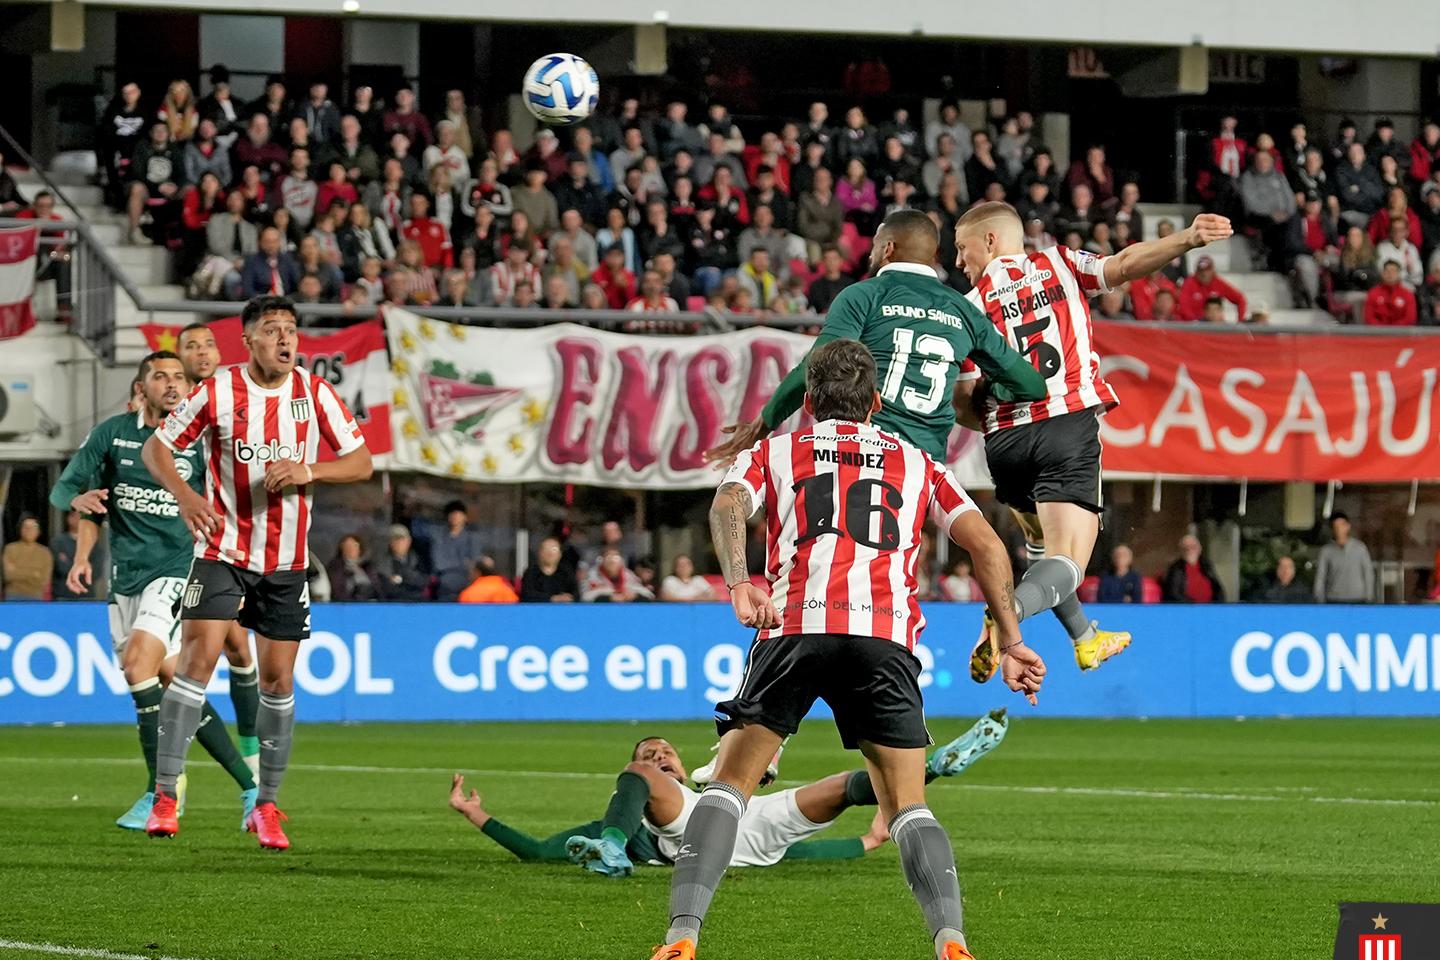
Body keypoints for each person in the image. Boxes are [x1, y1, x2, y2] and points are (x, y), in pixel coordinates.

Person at [647, 338, 1043, 960]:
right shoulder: (918, 462)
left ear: (807, 401)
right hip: (883, 638)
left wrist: (739, 582)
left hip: (796, 626)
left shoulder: (776, 450)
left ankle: (681, 937)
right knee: (907, 804)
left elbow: (727, 504)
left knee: (728, 786)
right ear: (877, 402)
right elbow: (989, 548)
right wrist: (1012, 639)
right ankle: (951, 940)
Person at [945, 202, 1227, 679]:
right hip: (1064, 426)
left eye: (961, 247)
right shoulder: (1058, 262)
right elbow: (1122, 265)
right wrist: (1187, 239)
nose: (958, 260)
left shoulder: (970, 307)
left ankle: (1085, 638)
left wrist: (999, 421)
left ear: (990, 241)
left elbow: (962, 401)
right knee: (1068, 564)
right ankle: (1001, 617)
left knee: (1041, 550)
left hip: (1004, 446)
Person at [140, 295, 373, 849]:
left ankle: (265, 806)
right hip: (222, 551)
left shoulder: (314, 393)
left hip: (287, 564)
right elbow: (158, 448)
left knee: (279, 681)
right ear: (248, 341)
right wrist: (185, 496)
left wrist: (309, 468)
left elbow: (361, 461)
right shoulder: (219, 390)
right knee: (196, 662)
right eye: (272, 330)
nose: (285, 339)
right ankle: (166, 796)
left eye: (291, 329)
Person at [49, 351, 258, 830]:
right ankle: (250, 789)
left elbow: (232, 508)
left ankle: (159, 794)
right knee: (171, 684)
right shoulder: (111, 435)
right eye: (160, 376)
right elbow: (67, 492)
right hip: (125, 578)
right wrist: (81, 541)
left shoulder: (204, 443)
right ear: (141, 388)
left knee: (136, 665)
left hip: (177, 569)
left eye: (179, 377)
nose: (172, 384)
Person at [452, 714, 1007, 872]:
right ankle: (617, 852)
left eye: (664, 752)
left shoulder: (699, 776)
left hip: (748, 836)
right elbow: (540, 850)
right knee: (647, 789)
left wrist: (862, 843)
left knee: (839, 788)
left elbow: (794, 852)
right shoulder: (626, 814)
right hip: (693, 832)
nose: (659, 758)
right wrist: (479, 816)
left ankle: (930, 767)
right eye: (650, 755)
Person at [173, 323, 263, 771]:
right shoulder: (169, 409)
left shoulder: (228, 399)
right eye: (192, 346)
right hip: (173, 553)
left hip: (220, 549)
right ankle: (169, 780)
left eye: (209, 344)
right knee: (183, 663)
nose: (203, 352)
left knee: (238, 650)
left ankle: (249, 758)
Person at [430, 500, 486, 602]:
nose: (455, 517)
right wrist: (463, 563)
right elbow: (438, 564)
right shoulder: (438, 537)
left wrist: (461, 565)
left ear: (465, 517)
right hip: (444, 585)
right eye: (452, 514)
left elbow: (474, 563)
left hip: (467, 584)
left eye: (458, 514)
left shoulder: (472, 538)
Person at [1314, 512, 1375, 604]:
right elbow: (1320, 576)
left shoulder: (1360, 548)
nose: (1339, 529)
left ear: (1348, 526)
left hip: (1358, 599)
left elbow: (1368, 573)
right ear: (1332, 529)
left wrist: (1369, 597)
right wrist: (1319, 599)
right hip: (1334, 599)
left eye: (1341, 525)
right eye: (1336, 526)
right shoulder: (1326, 551)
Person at [1176, 255, 1247, 322]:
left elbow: (1240, 299)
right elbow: (1183, 306)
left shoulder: (1218, 283)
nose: (1204, 274)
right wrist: (1195, 322)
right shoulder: (1189, 283)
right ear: (1196, 272)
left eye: (1207, 270)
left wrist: (1240, 321)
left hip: (1214, 325)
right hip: (1193, 325)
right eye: (1201, 271)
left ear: (1213, 271)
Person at [1162, 535, 1224, 603]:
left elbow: (1217, 587)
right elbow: (1173, 594)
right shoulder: (1175, 568)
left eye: (1193, 547)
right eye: (1185, 548)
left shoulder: (1206, 564)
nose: (1190, 550)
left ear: (1199, 549)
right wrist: (1195, 605)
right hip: (1188, 609)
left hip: (1211, 608)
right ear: (1180, 551)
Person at [3, 515, 51, 599]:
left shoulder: (45, 553)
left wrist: (17, 570)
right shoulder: (10, 549)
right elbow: (8, 575)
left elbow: (43, 580)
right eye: (26, 527)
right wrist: (34, 573)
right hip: (13, 595)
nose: (29, 530)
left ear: (39, 531)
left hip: (36, 596)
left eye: (33, 527)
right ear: (20, 529)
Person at [375, 524, 428, 601]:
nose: (399, 543)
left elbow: (424, 582)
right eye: (395, 539)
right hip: (393, 605)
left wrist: (402, 578)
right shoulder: (383, 564)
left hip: (418, 603)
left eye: (402, 539)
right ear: (390, 543)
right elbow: (388, 589)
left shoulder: (420, 560)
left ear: (409, 541)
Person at [581, 548, 654, 602]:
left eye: (616, 558)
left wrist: (635, 595)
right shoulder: (592, 575)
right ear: (602, 560)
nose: (612, 561)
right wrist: (609, 597)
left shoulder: (628, 574)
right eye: (608, 557)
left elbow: (649, 595)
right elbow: (584, 597)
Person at [519, 536, 578, 603]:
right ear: (539, 553)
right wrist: (552, 599)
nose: (550, 553)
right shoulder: (531, 573)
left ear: (560, 554)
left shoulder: (566, 572)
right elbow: (527, 596)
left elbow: (576, 595)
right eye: (546, 549)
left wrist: (568, 598)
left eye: (554, 549)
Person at [1364, 260, 1418, 326]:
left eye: (1393, 271)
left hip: (1401, 333)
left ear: (1399, 274)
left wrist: (1394, 330)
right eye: (1387, 271)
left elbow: (1410, 318)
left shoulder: (1408, 295)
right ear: (1382, 273)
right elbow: (1369, 317)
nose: (1390, 274)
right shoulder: (1373, 293)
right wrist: (1382, 330)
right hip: (1377, 333)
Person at [327, 534, 377, 602]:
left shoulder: (368, 566)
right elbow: (337, 589)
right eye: (347, 545)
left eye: (354, 545)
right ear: (342, 548)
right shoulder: (336, 566)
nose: (351, 548)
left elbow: (377, 587)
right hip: (347, 604)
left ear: (360, 548)